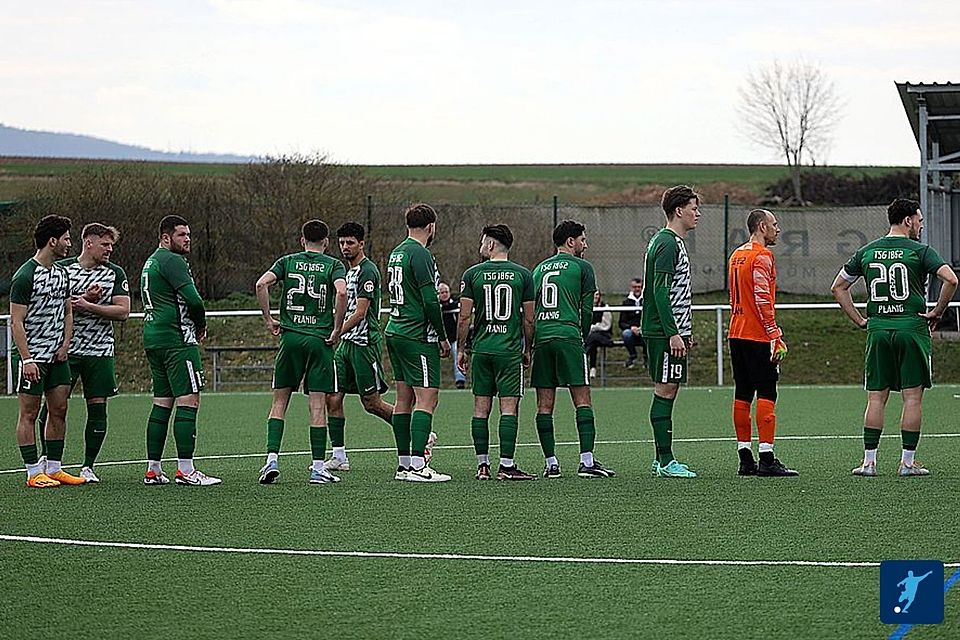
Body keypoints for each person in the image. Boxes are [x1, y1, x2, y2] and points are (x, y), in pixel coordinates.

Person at [831, 198, 958, 477]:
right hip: (911, 329)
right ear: (908, 220)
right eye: (920, 220)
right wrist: (937, 311)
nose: (921, 226)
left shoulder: (867, 251)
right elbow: (951, 279)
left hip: (878, 330)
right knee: (912, 398)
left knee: (876, 398)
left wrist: (860, 319)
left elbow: (838, 287)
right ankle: (907, 463)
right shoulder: (920, 250)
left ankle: (868, 463)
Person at [37, 223, 130, 483]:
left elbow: (123, 311)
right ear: (88, 243)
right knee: (55, 406)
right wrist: (82, 298)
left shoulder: (115, 273)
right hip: (65, 351)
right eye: (105, 244)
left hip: (100, 352)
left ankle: (88, 466)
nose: (110, 249)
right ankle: (49, 459)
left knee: (98, 408)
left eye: (111, 245)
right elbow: (53, 304)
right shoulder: (63, 269)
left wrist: (89, 305)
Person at [255, 220, 347, 484]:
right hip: (319, 340)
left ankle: (271, 459)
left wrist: (269, 319)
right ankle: (318, 467)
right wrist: (337, 327)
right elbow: (341, 292)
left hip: (291, 338)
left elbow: (261, 284)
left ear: (301, 240)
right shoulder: (333, 265)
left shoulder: (287, 261)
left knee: (279, 401)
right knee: (317, 403)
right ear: (327, 242)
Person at [531, 220, 615, 478]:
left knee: (544, 405)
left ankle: (551, 464)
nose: (585, 244)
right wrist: (581, 334)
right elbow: (587, 310)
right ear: (571, 241)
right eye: (582, 240)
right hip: (568, 335)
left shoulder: (538, 269)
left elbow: (530, 310)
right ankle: (587, 462)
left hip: (542, 337)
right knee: (582, 400)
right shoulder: (583, 267)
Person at [141, 215, 220, 486]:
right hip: (177, 340)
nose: (187, 239)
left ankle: (153, 469)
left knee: (162, 401)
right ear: (166, 237)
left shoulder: (151, 260)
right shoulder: (172, 260)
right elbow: (195, 301)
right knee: (189, 399)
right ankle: (186, 469)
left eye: (188, 234)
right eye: (181, 235)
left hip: (154, 337)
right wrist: (200, 326)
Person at [457, 224, 537, 481]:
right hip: (509, 351)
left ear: (490, 245)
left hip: (481, 350)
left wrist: (462, 348)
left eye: (483, 242)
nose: (480, 246)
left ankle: (482, 466)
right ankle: (507, 465)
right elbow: (529, 319)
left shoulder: (472, 274)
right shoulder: (523, 275)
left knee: (481, 408)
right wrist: (527, 348)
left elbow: (464, 317)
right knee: (509, 408)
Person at [9, 215, 84, 487]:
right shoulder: (25, 275)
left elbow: (67, 311)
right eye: (66, 238)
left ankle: (54, 468)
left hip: (57, 357)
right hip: (34, 359)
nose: (69, 243)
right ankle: (32, 472)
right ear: (52, 241)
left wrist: (65, 344)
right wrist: (27, 359)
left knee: (59, 409)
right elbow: (16, 321)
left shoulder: (62, 273)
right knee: (29, 413)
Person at [728, 209, 797, 477]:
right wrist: (774, 334)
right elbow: (761, 299)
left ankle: (745, 458)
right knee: (767, 391)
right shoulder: (762, 256)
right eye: (774, 224)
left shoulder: (736, 255)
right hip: (756, 334)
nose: (778, 229)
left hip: (736, 332)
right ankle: (767, 457)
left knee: (742, 393)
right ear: (761, 226)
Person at [385, 203, 451, 482]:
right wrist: (444, 337)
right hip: (416, 334)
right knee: (427, 398)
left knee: (403, 399)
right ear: (431, 227)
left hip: (395, 330)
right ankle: (417, 466)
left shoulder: (396, 252)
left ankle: (403, 465)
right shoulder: (420, 253)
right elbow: (429, 300)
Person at [323, 222, 394, 472]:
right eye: (341, 242)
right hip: (346, 345)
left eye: (350, 242)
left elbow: (361, 313)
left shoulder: (368, 271)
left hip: (364, 344)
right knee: (332, 397)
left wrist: (335, 331)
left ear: (361, 244)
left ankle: (419, 434)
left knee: (371, 403)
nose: (345, 247)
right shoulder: (346, 272)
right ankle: (339, 455)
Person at [641, 185, 700, 478]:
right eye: (693, 208)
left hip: (670, 330)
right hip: (664, 332)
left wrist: (684, 330)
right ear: (679, 211)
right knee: (665, 389)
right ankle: (665, 461)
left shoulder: (668, 242)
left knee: (668, 389)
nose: (697, 213)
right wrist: (673, 332)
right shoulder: (667, 243)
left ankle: (660, 458)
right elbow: (660, 291)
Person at [439, 281, 466, 389]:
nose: (444, 294)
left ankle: (460, 381)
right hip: (438, 339)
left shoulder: (456, 304)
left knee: (458, 353)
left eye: (446, 292)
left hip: (454, 338)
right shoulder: (434, 305)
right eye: (442, 292)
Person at [585, 289, 613, 380]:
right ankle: (592, 368)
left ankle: (584, 358)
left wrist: (593, 327)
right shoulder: (586, 307)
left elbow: (606, 325)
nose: (595, 297)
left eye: (597, 294)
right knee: (592, 341)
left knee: (592, 337)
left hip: (604, 336)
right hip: (591, 337)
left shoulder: (605, 307)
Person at [618, 277, 644, 368]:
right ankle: (633, 356)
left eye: (639, 287)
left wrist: (642, 328)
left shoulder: (646, 301)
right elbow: (621, 322)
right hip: (631, 330)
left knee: (649, 333)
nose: (637, 289)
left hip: (644, 329)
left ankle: (647, 357)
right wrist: (631, 327)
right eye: (635, 287)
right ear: (631, 288)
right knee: (626, 334)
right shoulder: (626, 302)